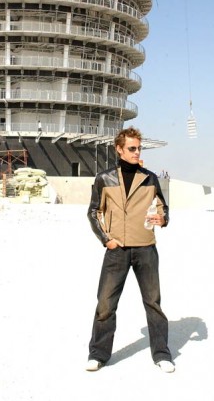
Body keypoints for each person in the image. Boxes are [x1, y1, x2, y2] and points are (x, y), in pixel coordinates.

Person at [85, 126, 175, 373]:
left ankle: (162, 354)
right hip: (117, 250)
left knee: (153, 303)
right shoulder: (104, 179)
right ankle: (98, 354)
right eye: (132, 148)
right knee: (105, 304)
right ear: (119, 149)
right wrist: (106, 240)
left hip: (146, 249)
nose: (137, 152)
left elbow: (163, 207)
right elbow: (93, 212)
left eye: (139, 148)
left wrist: (163, 218)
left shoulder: (150, 177)